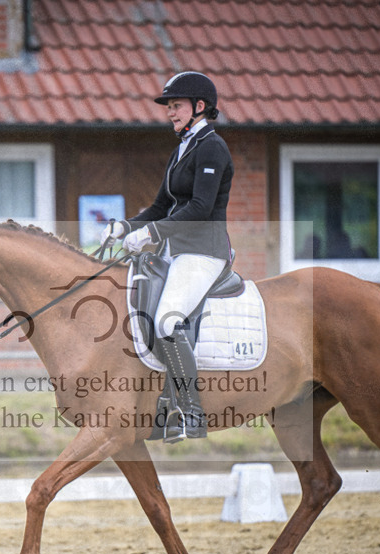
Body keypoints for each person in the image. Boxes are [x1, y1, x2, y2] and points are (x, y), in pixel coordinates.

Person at [102, 71, 234, 442]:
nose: (170, 113)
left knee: (166, 321)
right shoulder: (183, 148)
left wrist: (153, 233)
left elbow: (200, 206)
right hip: (176, 253)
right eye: (170, 107)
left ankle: (190, 412)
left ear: (199, 107)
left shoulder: (212, 147)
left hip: (204, 252)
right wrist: (125, 227)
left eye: (175, 106)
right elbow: (162, 205)